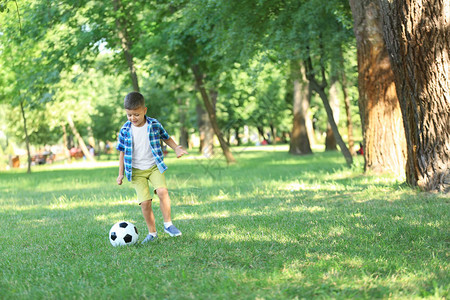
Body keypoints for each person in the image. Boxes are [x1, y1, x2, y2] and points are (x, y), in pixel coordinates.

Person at [116, 91, 188, 244]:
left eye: (136, 114)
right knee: (145, 203)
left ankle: (168, 225)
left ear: (144, 110)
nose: (132, 118)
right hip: (136, 171)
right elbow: (121, 152)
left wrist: (176, 148)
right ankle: (152, 233)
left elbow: (166, 137)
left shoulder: (154, 124)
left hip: (154, 166)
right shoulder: (125, 130)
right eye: (129, 115)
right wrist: (120, 174)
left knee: (163, 191)